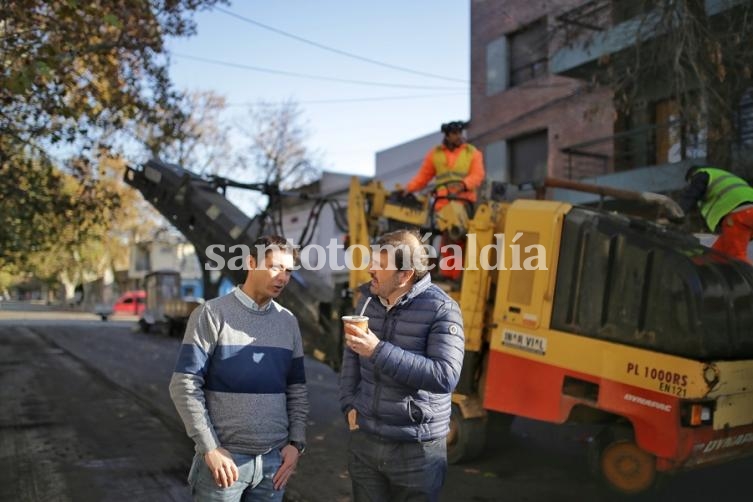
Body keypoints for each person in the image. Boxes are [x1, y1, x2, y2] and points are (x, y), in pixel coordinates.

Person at [169, 235, 308, 501]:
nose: (283, 277)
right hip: (224, 463)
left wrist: (296, 443)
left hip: (273, 464)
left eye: (289, 271)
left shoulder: (288, 322)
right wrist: (209, 447)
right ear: (251, 262)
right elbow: (184, 384)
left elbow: (296, 389)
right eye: (275, 267)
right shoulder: (211, 314)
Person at [339, 229, 465, 502]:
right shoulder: (367, 301)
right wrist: (349, 404)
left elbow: (445, 376)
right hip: (366, 440)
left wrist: (378, 350)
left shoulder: (442, 309)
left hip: (416, 450)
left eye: (380, 265)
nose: (370, 269)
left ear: (405, 274)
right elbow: (351, 356)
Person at [404, 120, 485, 212]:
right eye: (454, 133)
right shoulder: (435, 154)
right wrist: (409, 189)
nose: (459, 136)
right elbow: (422, 177)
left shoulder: (471, 152)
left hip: (465, 203)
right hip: (441, 205)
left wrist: (463, 185)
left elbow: (477, 174)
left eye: (460, 133)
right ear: (447, 136)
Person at [677, 165, 753, 262]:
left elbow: (690, 196)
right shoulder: (724, 178)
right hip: (746, 215)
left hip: (739, 214)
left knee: (736, 259)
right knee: (714, 258)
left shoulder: (701, 175)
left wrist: (676, 214)